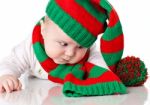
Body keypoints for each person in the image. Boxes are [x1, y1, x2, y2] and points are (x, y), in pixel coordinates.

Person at [0, 0, 127, 97]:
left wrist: (108, 80)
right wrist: (6, 76)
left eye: (80, 46)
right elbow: (12, 62)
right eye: (63, 44)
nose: (71, 53)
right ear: (44, 30)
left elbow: (100, 65)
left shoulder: (89, 52)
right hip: (34, 95)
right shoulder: (30, 47)